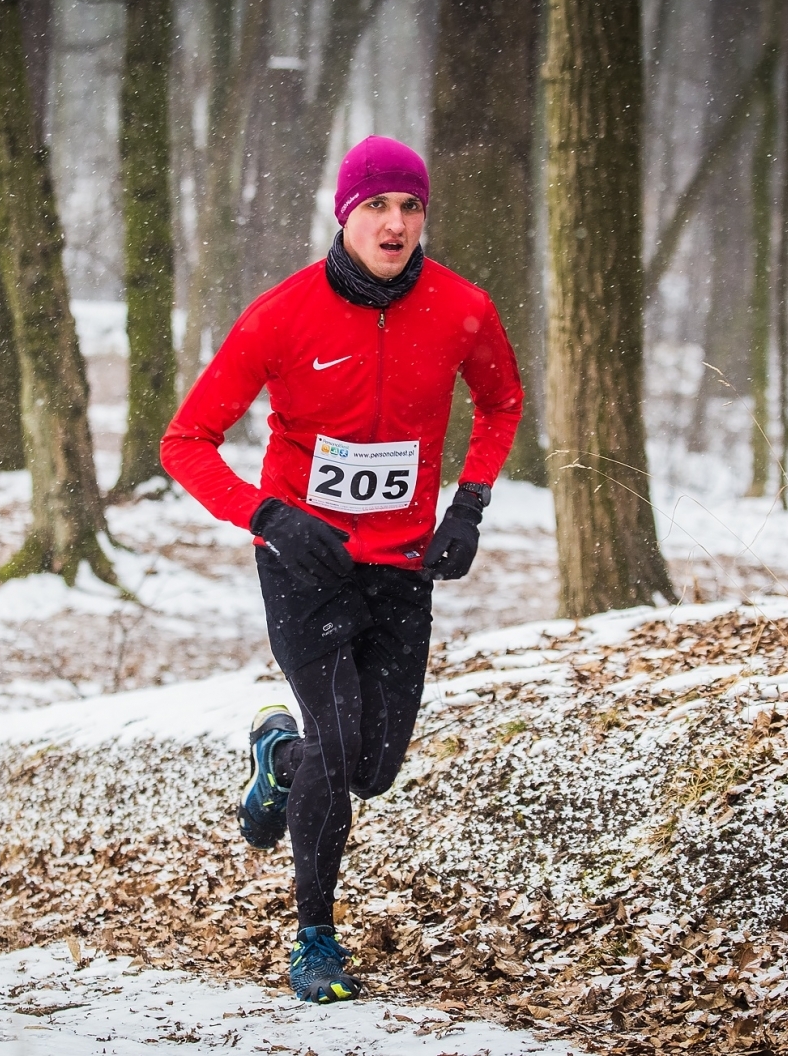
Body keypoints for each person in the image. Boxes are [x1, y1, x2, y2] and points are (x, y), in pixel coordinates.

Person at [161, 135, 523, 1003]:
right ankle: (315, 938)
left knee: (372, 768)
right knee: (339, 738)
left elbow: (502, 402)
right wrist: (268, 514)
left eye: (411, 207)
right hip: (304, 562)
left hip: (402, 562)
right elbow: (185, 441)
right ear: (346, 214)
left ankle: (277, 756)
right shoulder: (281, 315)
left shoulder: (464, 308)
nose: (395, 224)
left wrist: (468, 506)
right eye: (377, 207)